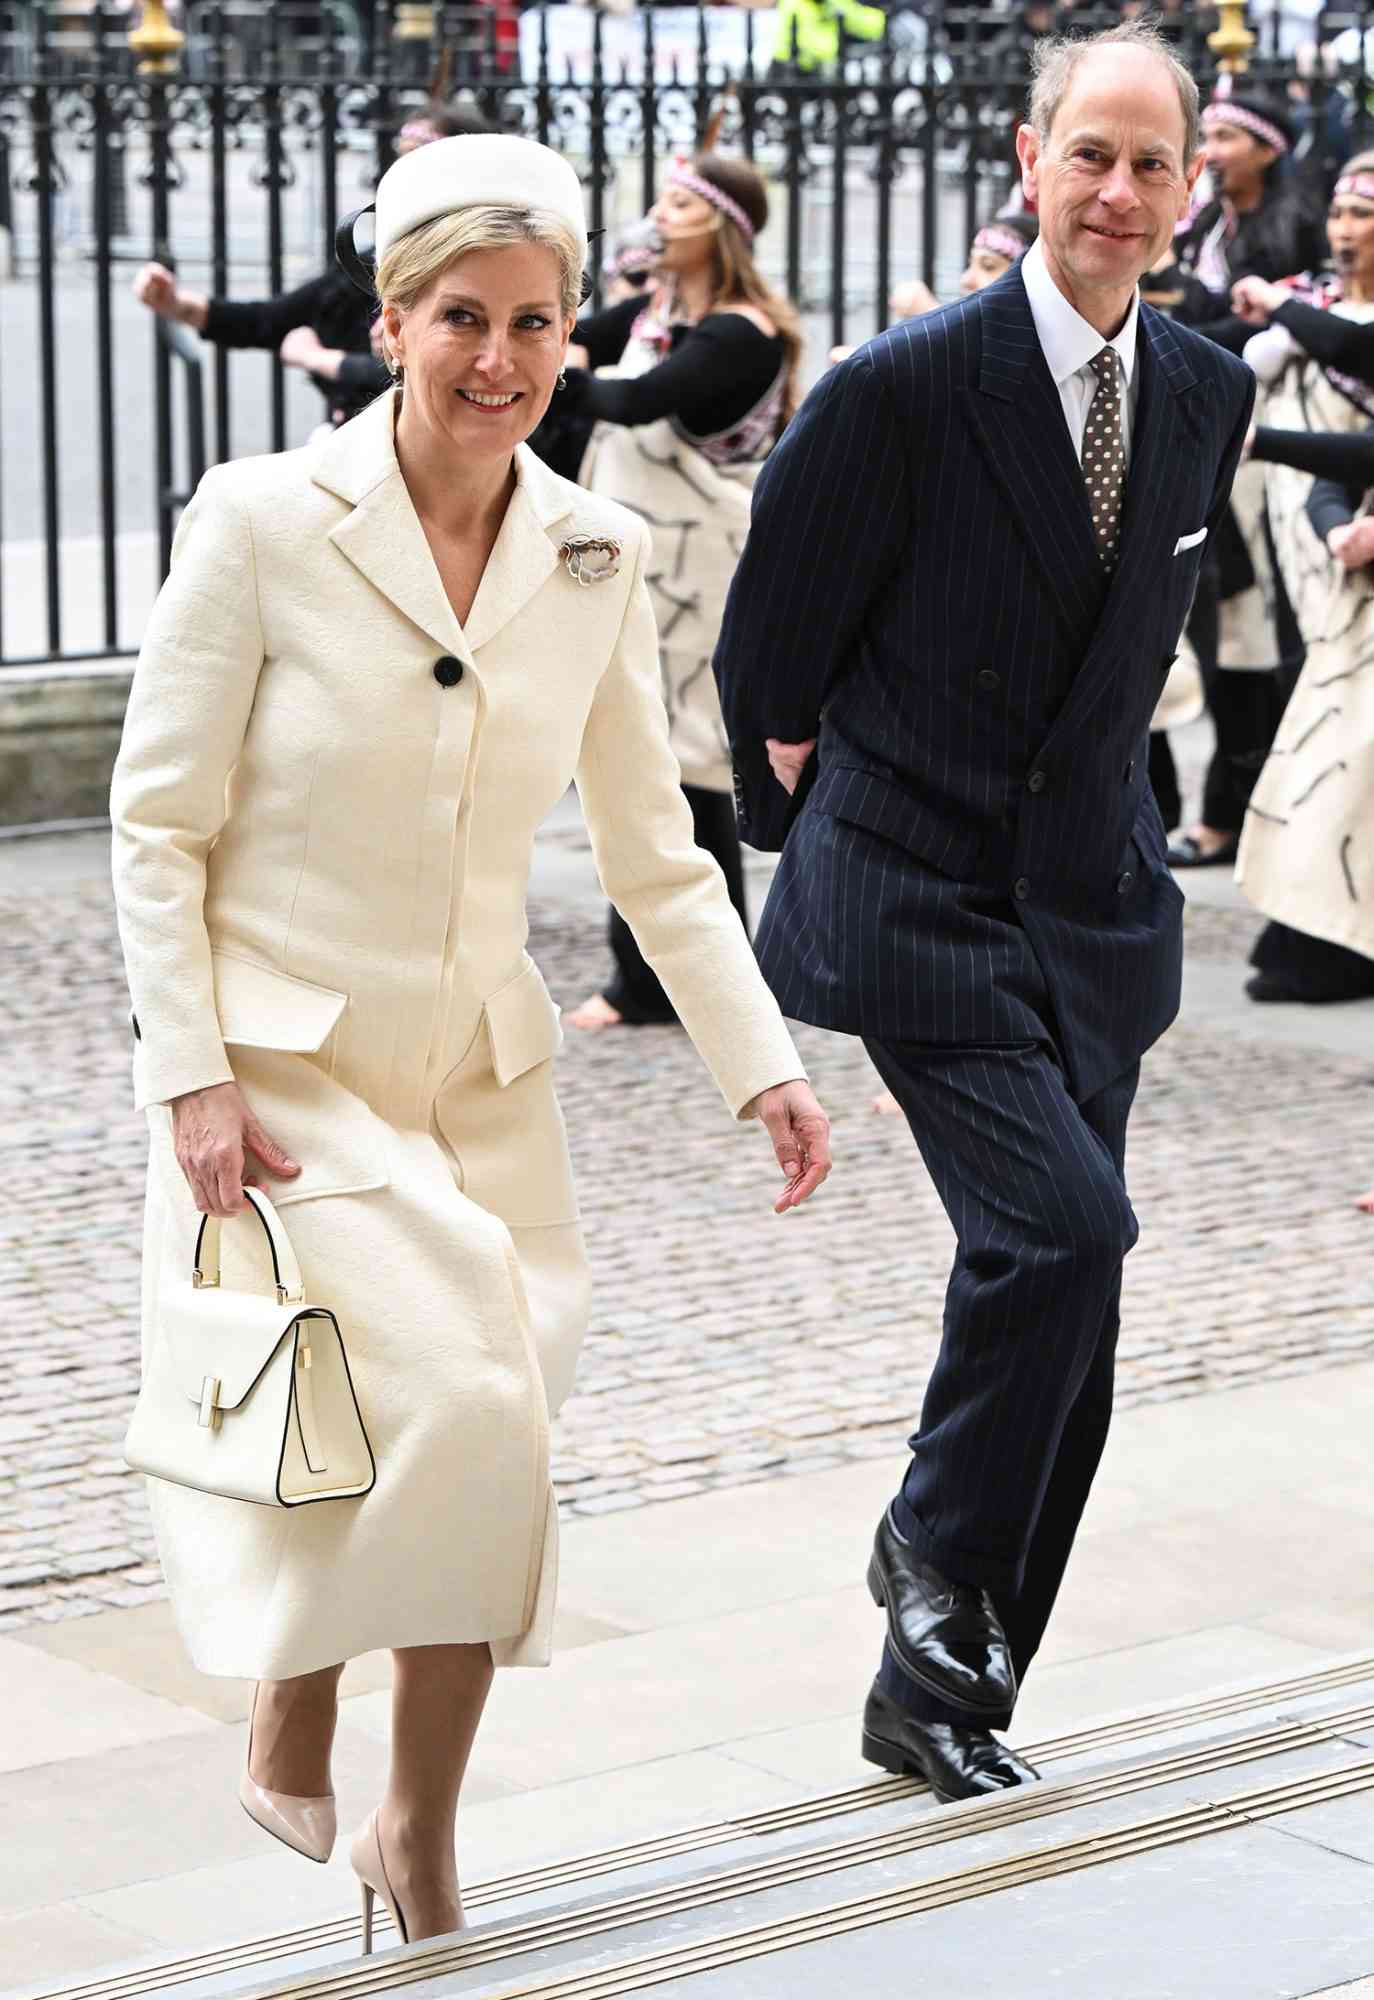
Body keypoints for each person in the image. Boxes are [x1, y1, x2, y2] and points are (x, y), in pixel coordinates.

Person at [110, 134, 830, 1951]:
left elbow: (656, 850)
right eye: (459, 319)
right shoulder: (262, 521)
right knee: (469, 1403)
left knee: (488, 1450)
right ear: (392, 322)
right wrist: (189, 1070)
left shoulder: (590, 549)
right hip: (287, 1077)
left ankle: (411, 1833)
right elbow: (156, 822)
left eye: (533, 322)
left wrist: (762, 1062)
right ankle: (291, 1691)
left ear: (574, 333)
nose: (496, 358)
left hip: (484, 1093)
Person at [715, 22, 1253, 1803]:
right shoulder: (901, 384)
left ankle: (941, 1686)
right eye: (1084, 154)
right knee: (1063, 1236)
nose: (1113, 191)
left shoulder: (1200, 388)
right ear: (1027, 162)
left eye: (1148, 162)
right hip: (914, 893)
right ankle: (931, 1560)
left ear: (1188, 186)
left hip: (1088, 908)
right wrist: (840, 855)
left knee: (1063, 1312)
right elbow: (764, 656)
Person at [557, 153, 803, 1032]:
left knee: (683, 769)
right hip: (646, 564)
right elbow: (588, 339)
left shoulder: (738, 333)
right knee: (642, 760)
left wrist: (537, 363)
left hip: (700, 572)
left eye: (674, 203)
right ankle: (670, 973)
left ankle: (679, 976)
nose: (656, 215)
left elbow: (634, 400)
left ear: (719, 224)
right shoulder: (663, 310)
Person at [1145, 94, 1326, 867]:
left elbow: (1276, 330)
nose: (1210, 149)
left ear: (1268, 148)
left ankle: (1234, 813)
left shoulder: (1293, 225)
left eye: (1225, 136)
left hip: (1271, 434)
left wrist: (1176, 340)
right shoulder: (1211, 223)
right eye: (1205, 135)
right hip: (1217, 422)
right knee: (1218, 633)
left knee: (1250, 635)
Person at [130, 104, 492, 429]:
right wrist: (177, 304)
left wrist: (321, 359)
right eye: (400, 164)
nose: (403, 181)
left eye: (421, 167)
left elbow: (459, 378)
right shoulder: (371, 265)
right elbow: (272, 320)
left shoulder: (490, 271)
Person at [1234, 423, 1374, 1004]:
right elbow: (1333, 480)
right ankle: (1317, 940)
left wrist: (1260, 437)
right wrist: (1339, 529)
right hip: (1354, 633)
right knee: (1324, 784)